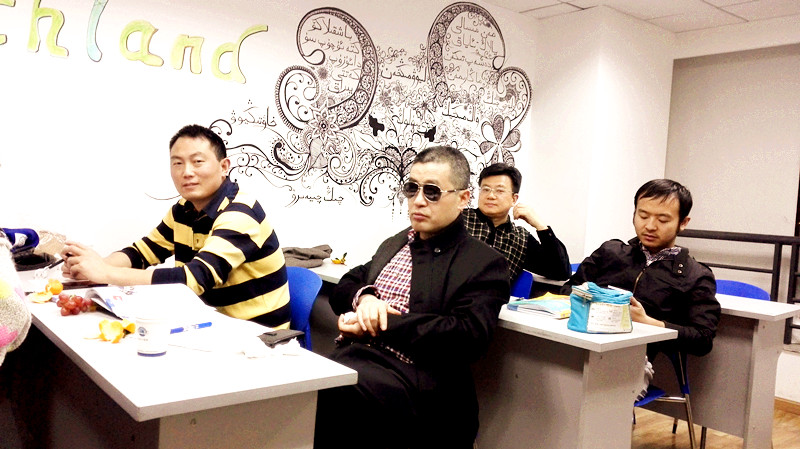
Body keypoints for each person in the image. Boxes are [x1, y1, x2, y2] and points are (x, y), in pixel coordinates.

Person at [314, 146, 509, 449]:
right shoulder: (398, 243)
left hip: (418, 383)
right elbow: (348, 283)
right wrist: (366, 300)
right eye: (412, 188)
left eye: (432, 192)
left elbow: (468, 337)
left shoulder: (483, 262)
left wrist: (379, 324)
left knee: (327, 395)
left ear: (463, 199)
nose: (418, 200)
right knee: (297, 383)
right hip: (358, 360)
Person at [61, 124, 290, 328]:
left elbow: (194, 280)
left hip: (258, 339)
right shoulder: (183, 210)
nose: (186, 172)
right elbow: (142, 253)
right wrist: (90, 266)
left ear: (224, 167)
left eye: (197, 162)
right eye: (177, 163)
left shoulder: (241, 213)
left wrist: (105, 272)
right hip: (207, 326)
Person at [562, 179, 720, 360]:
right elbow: (567, 290)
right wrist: (598, 302)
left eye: (662, 220)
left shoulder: (695, 275)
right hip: (578, 342)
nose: (650, 226)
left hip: (634, 359)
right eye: (643, 216)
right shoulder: (610, 252)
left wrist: (648, 323)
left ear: (683, 222)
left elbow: (702, 339)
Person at [463, 163, 571, 281]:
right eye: (485, 189)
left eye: (499, 191)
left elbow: (561, 272)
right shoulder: (460, 220)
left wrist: (541, 226)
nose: (491, 195)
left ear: (514, 199)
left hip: (495, 293)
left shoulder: (520, 239)